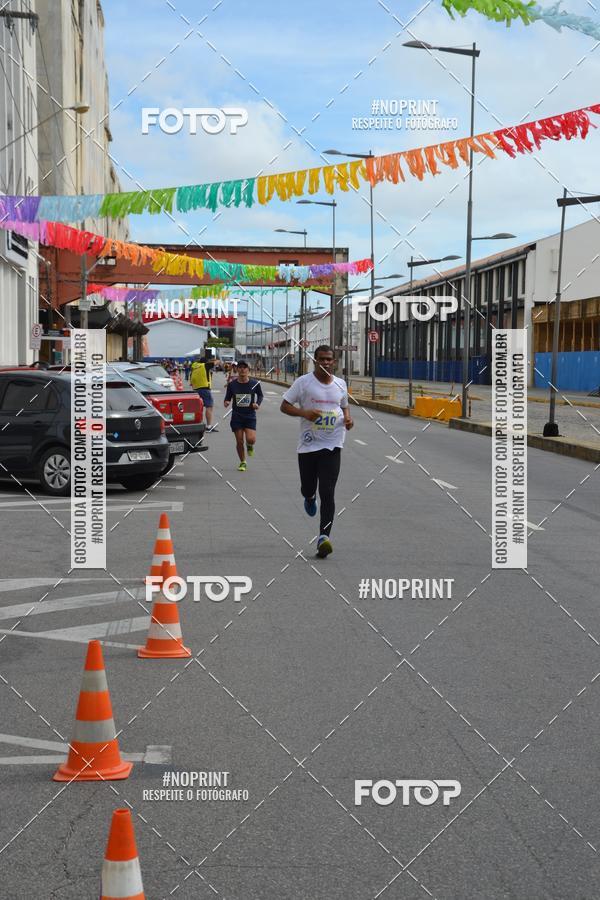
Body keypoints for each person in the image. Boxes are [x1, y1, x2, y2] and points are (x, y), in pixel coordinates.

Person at [280, 345, 353, 558]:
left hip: (333, 444)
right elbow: (284, 406)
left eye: (330, 359)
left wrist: (348, 419)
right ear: (315, 361)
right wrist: (305, 413)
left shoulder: (341, 384)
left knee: (328, 492)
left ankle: (324, 537)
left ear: (334, 361)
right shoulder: (303, 383)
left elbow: (344, 406)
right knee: (308, 487)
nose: (326, 363)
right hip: (309, 444)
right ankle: (309, 496)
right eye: (322, 359)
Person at [224, 360, 263, 471]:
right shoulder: (232, 384)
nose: (242, 369)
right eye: (240, 367)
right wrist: (226, 402)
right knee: (240, 441)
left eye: (244, 367)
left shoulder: (254, 383)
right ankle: (243, 462)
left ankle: (250, 445)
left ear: (248, 370)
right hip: (237, 416)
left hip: (250, 415)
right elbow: (227, 397)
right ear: (237, 370)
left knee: (251, 439)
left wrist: (257, 404)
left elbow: (260, 395)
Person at [190, 354, 217, 432]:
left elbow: (191, 381)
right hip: (205, 389)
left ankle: (196, 424)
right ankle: (208, 426)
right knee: (209, 407)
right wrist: (213, 360)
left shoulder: (194, 367)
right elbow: (216, 362)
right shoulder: (205, 366)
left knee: (198, 408)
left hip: (195, 389)